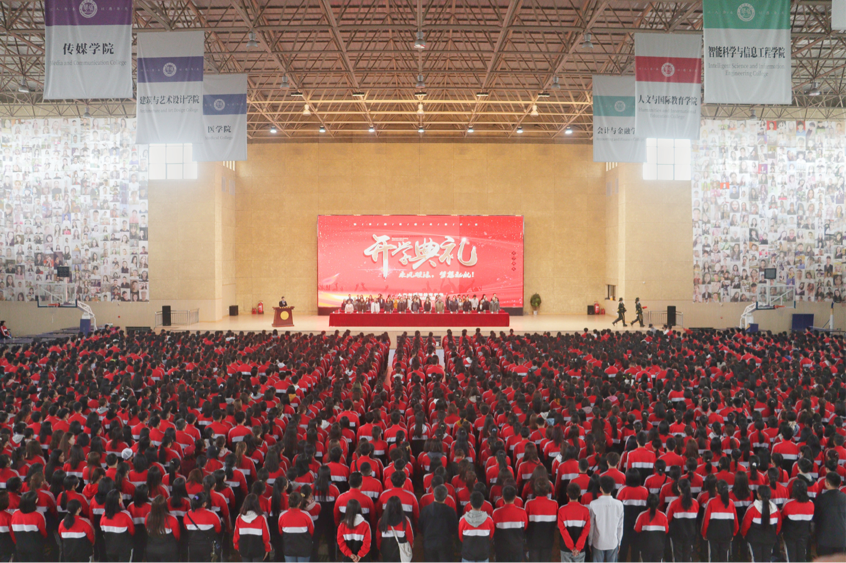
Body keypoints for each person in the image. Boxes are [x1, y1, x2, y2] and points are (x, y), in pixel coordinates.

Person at [588, 475, 624, 563]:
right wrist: (619, 542)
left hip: (598, 542)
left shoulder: (593, 504)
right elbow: (620, 526)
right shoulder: (619, 504)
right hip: (613, 542)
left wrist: (590, 542)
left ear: (600, 488)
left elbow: (591, 526)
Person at [741, 484, 781, 563]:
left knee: (756, 559)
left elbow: (745, 524)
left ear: (758, 495)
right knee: (767, 559)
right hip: (770, 539)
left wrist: (743, 534)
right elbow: (778, 525)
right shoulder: (775, 509)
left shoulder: (752, 508)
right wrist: (774, 534)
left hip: (754, 540)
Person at [419, 484, 458, 563]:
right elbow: (454, 529)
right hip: (445, 544)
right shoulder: (451, 511)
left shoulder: (425, 510)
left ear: (433, 494)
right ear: (446, 496)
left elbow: (420, 527)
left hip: (429, 543)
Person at [701, 480, 738, 563]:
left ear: (716, 488)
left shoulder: (711, 502)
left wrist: (704, 533)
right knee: (724, 557)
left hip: (713, 535)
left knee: (713, 557)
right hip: (727, 534)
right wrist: (733, 533)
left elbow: (706, 520)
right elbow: (735, 520)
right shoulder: (731, 503)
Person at [665, 479, 698, 563]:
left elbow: (667, 519)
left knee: (677, 556)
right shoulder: (695, 503)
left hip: (676, 535)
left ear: (679, 489)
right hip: (690, 534)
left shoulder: (674, 502)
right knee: (687, 556)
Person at [491, 485, 527, 563]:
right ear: (515, 497)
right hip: (517, 548)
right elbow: (525, 528)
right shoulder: (522, 512)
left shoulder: (496, 513)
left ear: (502, 497)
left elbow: (493, 530)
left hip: (501, 549)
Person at [781, 479, 814, 563]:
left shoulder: (787, 503)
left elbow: (782, 517)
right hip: (804, 535)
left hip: (790, 535)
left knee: (791, 557)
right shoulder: (811, 504)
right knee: (802, 556)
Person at [99, 489, 135, 563]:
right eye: (120, 495)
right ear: (118, 500)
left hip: (110, 548)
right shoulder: (125, 515)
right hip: (124, 549)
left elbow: (103, 531)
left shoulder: (104, 515)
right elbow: (132, 531)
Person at [814, 472, 846, 555]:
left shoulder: (821, 498)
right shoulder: (844, 497)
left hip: (824, 538)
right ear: (839, 483)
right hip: (841, 538)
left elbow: (816, 518)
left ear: (827, 483)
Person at [184, 492, 222, 563]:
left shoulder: (187, 515)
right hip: (208, 547)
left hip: (193, 547)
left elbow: (186, 528)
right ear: (204, 504)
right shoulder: (212, 515)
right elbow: (218, 530)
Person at [234, 493, 272, 563]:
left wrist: (237, 547)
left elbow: (236, 536)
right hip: (258, 550)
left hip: (244, 550)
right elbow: (266, 536)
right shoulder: (261, 518)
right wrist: (267, 548)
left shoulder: (239, 517)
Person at [458, 491, 494, 563]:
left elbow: (461, 537)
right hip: (483, 554)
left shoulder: (463, 520)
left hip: (467, 554)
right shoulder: (489, 520)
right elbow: (490, 536)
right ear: (482, 503)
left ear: (470, 503)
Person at [278, 491, 314, 563]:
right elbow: (311, 531)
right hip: (304, 549)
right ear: (300, 503)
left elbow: (280, 532)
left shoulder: (282, 515)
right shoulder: (306, 515)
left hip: (288, 549)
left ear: (288, 502)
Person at [558, 483, 590, 563]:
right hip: (580, 549)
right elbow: (586, 531)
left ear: (567, 494)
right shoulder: (585, 510)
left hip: (566, 548)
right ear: (580, 494)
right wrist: (578, 547)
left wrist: (571, 547)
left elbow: (562, 530)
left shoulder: (562, 510)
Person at [376, 496, 414, 563]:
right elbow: (410, 538)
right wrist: (409, 549)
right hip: (401, 553)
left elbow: (378, 538)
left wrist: (380, 550)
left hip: (386, 552)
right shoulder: (405, 521)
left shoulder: (381, 521)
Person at [633, 494, 668, 563]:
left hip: (645, 547)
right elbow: (666, 530)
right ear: (658, 503)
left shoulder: (641, 515)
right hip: (659, 547)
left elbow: (637, 529)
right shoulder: (663, 516)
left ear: (647, 503)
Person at [58, 498, 95, 563]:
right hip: (82, 555)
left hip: (67, 554)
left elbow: (61, 536)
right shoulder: (85, 522)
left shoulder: (62, 522)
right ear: (79, 509)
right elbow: (91, 538)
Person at [145, 495, 180, 563]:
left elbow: (147, 530)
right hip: (168, 550)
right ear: (165, 506)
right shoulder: (172, 518)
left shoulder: (147, 517)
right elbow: (177, 536)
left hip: (151, 549)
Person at [336, 499, 372, 563]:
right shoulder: (366, 524)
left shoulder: (342, 525)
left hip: (347, 558)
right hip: (362, 559)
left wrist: (350, 555)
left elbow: (341, 543)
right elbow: (367, 544)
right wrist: (359, 555)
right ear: (359, 509)